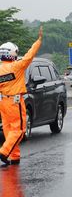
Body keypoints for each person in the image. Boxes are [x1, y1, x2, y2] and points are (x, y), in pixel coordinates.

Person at [0, 26, 43, 165]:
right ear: (12, 54)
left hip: (3, 102)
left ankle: (14, 156)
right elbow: (29, 56)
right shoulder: (16, 66)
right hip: (15, 101)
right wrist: (39, 41)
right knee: (19, 129)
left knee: (8, 129)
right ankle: (4, 152)